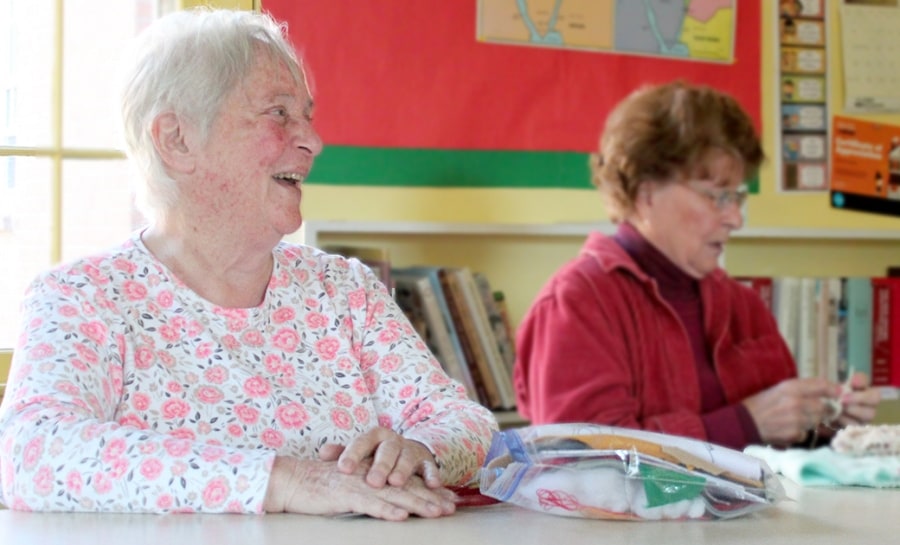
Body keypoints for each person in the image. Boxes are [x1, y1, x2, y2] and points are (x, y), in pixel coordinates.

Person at [0, 8, 496, 518]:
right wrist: (283, 481)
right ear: (177, 140)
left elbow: (468, 425)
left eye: (307, 115)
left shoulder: (345, 291)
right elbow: (31, 455)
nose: (313, 140)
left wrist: (422, 452)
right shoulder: (83, 297)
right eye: (278, 114)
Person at [513, 81, 880, 451]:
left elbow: (778, 449)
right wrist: (746, 423)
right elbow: (579, 459)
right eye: (717, 196)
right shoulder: (576, 302)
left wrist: (825, 425)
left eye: (737, 196)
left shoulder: (743, 305)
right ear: (645, 193)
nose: (735, 218)